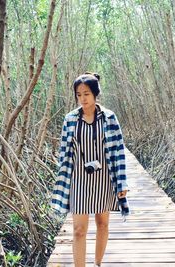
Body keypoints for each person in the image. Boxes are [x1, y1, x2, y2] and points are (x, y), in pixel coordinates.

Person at [51, 72, 130, 267]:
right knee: (79, 229)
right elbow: (64, 153)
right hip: (79, 178)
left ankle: (97, 263)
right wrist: (63, 183)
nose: (82, 99)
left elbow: (119, 152)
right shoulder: (70, 119)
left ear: (95, 94)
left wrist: (122, 183)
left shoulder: (109, 118)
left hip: (104, 177)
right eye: (78, 94)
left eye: (86, 94)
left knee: (102, 224)